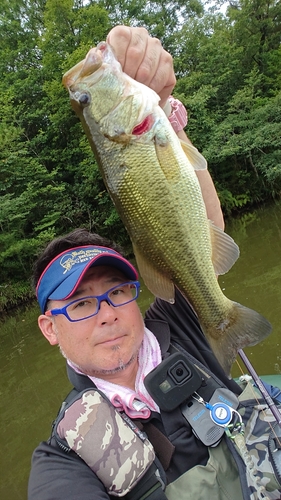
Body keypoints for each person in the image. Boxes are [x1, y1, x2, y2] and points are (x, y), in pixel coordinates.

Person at [28, 26, 280, 500]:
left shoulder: (177, 327)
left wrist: (162, 105)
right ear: (48, 327)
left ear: (134, 293)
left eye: (117, 291)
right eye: (80, 304)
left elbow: (204, 226)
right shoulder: (63, 458)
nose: (107, 312)